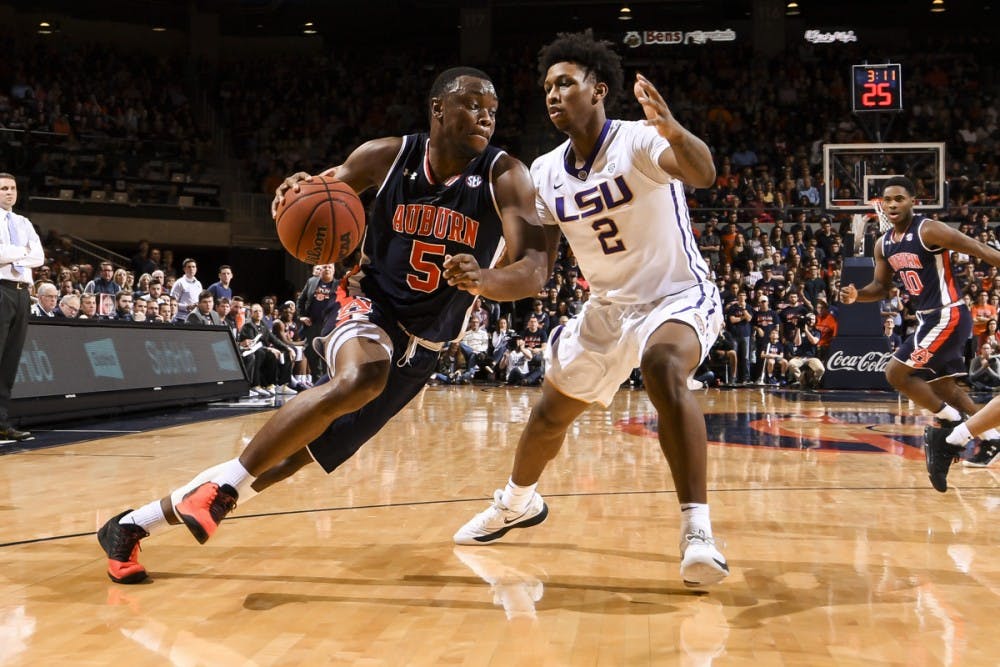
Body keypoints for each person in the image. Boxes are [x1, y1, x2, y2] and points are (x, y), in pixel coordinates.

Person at [96, 67, 550, 584]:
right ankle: (223, 489)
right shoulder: (388, 155)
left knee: (293, 457)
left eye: (492, 109)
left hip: (425, 346)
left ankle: (131, 526)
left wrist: (486, 279)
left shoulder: (504, 174)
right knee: (363, 377)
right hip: (367, 303)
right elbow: (315, 193)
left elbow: (534, 268)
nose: (485, 117)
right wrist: (292, 193)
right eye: (471, 105)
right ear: (438, 109)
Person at [453, 32, 728, 588]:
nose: (553, 95)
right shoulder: (544, 172)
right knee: (549, 415)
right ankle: (517, 503)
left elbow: (703, 173)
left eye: (565, 83)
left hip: (677, 294)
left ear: (599, 89)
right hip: (608, 309)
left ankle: (697, 532)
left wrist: (674, 129)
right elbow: (535, 271)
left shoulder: (638, 141)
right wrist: (484, 280)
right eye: (547, 88)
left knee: (662, 366)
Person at [839, 176, 1000, 492]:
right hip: (928, 319)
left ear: (913, 201)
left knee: (895, 373)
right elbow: (881, 287)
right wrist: (858, 295)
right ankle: (991, 438)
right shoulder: (883, 244)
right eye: (888, 200)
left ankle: (952, 423)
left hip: (949, 314)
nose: (893, 204)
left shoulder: (929, 230)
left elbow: (978, 248)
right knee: (945, 387)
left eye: (899, 198)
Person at [0, 173, 43, 441]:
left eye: (13, 188)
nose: (9, 192)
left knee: (9, 362)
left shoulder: (23, 222)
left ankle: (1, 421)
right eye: (3, 188)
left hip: (22, 293)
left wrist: (13, 251)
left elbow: (39, 257)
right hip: (1, 290)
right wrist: (22, 250)